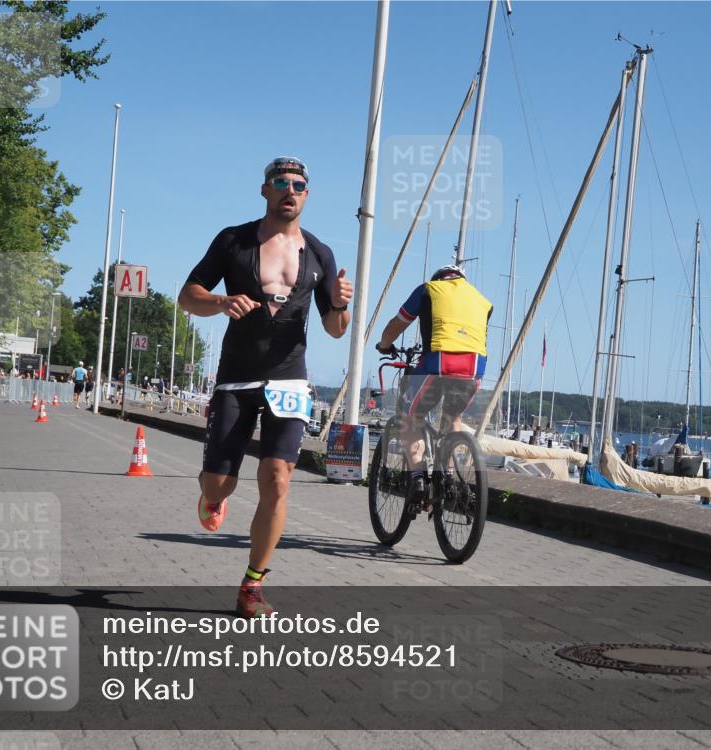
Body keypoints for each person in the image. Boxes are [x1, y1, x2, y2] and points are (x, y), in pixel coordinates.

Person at [178, 156, 352, 618]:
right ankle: (212, 498)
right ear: (265, 190)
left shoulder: (319, 253)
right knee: (220, 483)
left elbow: (335, 328)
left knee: (277, 480)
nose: (289, 190)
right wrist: (220, 301)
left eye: (298, 184)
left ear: (307, 195)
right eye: (281, 182)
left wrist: (339, 306)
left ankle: (252, 585)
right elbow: (186, 295)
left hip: (290, 377)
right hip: (237, 375)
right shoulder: (233, 240)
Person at [375, 264, 492, 508]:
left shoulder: (428, 290)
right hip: (473, 369)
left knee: (409, 416)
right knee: (453, 417)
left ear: (439, 279)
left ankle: (417, 477)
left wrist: (385, 343)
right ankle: (446, 477)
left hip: (437, 363)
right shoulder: (481, 300)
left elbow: (398, 324)